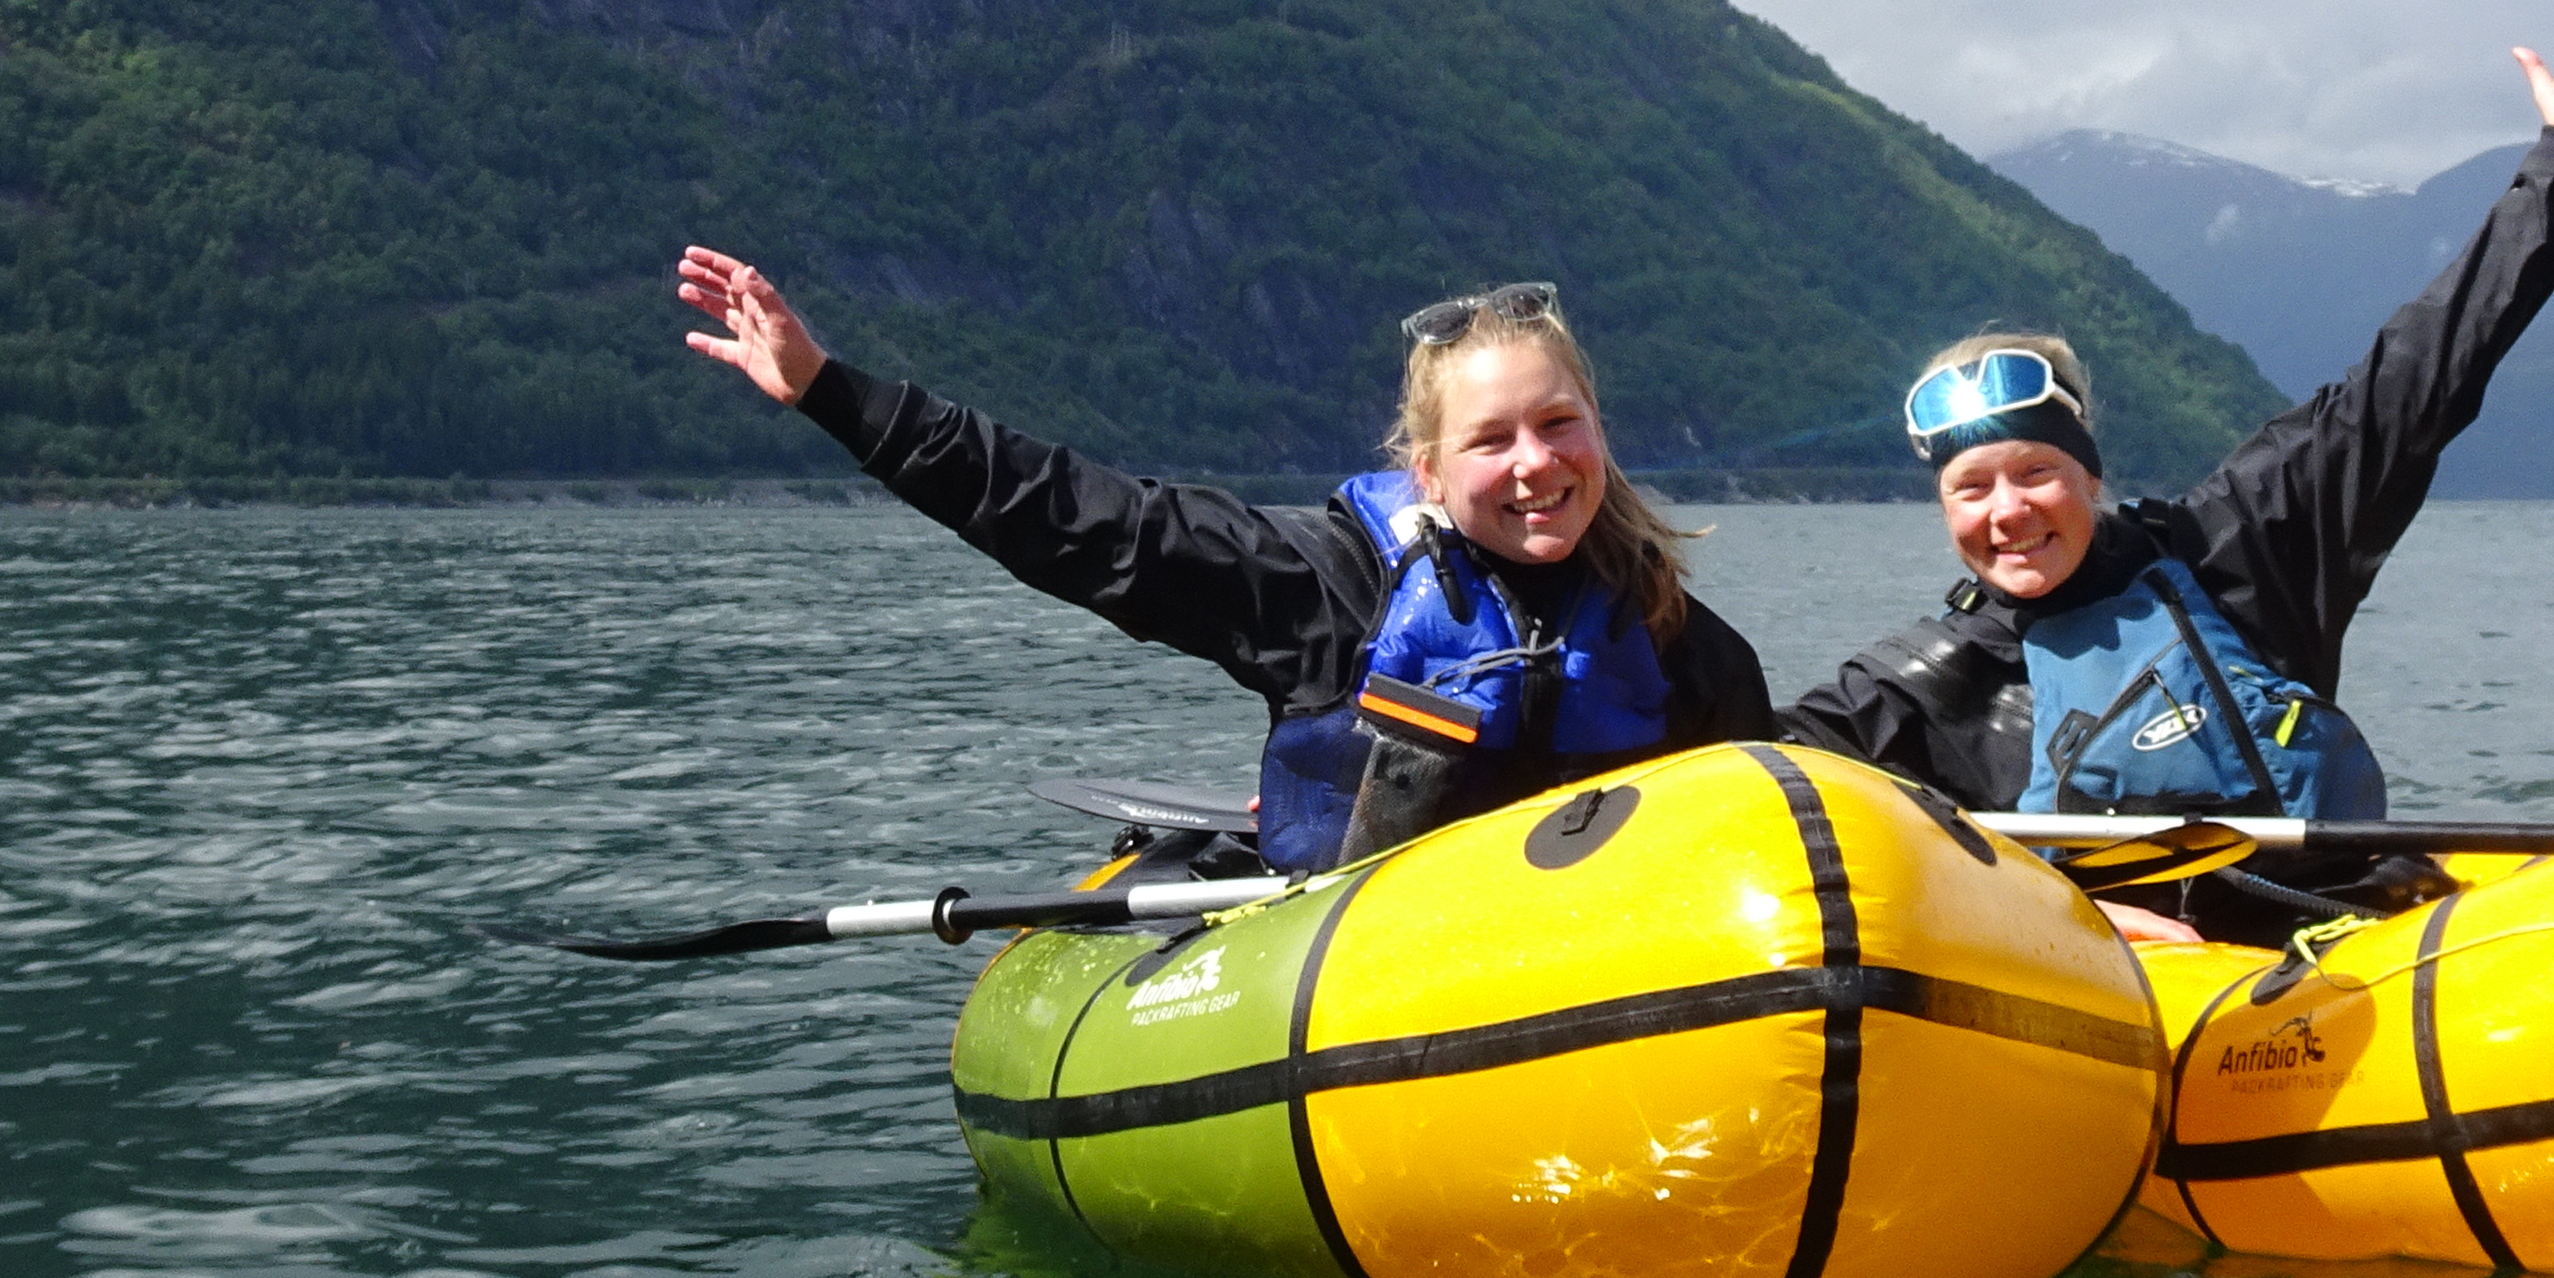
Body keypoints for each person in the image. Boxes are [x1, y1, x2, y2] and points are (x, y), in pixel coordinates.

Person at [1777, 15, 2554, 927]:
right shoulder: (1925, 687)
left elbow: (2420, 373)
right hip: (2125, 993)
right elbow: (1737, 762)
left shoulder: (2241, 544)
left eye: (2036, 473)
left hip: (2328, 940)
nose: (2008, 511)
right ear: (1944, 512)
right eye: (1970, 490)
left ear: (2091, 476)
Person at [673, 253, 1773, 871]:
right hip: (1363, 989)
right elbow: (1080, 520)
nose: (1535, 464)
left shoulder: (1679, 641)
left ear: (1598, 430)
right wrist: (834, 392)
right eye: (1492, 440)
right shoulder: (1327, 588)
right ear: (1429, 473)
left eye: (1559, 424)